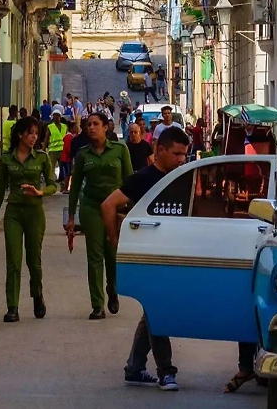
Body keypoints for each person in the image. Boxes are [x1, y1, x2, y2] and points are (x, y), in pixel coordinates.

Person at [101, 127, 191, 392]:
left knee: (153, 312)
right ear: (159, 150)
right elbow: (108, 205)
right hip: (148, 254)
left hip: (172, 254)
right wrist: (116, 240)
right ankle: (166, 371)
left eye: (184, 154)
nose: (180, 160)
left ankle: (135, 368)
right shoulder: (142, 178)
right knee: (159, 308)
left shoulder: (182, 178)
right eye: (176, 154)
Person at [0, 116, 58, 322]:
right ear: (20, 134)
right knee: (13, 260)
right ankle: (12, 306)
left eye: (36, 134)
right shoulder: (7, 159)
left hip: (35, 213)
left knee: (33, 261)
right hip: (14, 213)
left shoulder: (42, 158)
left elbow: (55, 186)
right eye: (30, 133)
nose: (33, 138)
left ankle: (37, 294)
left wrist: (40, 192)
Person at [65, 112, 133, 319]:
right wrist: (70, 218)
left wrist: (129, 211)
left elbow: (130, 182)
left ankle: (112, 290)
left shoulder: (120, 150)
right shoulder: (83, 154)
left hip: (114, 208)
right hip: (91, 207)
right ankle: (97, 304)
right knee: (94, 255)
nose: (91, 128)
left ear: (106, 127)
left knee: (111, 254)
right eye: (88, 125)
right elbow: (75, 187)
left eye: (96, 124)